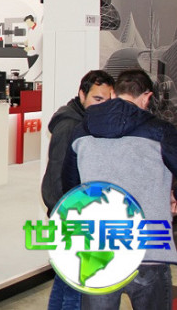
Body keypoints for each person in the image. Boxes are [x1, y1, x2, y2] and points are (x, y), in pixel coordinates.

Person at [62, 69, 177, 309]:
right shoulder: (161, 131)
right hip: (149, 248)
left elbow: (70, 188)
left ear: (114, 93)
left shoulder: (81, 130)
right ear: (146, 97)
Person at [41, 69, 114, 310]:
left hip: (78, 211)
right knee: (76, 289)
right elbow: (55, 177)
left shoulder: (87, 123)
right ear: (82, 94)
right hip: (72, 216)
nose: (102, 105)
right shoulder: (69, 126)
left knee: (66, 282)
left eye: (107, 100)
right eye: (97, 98)